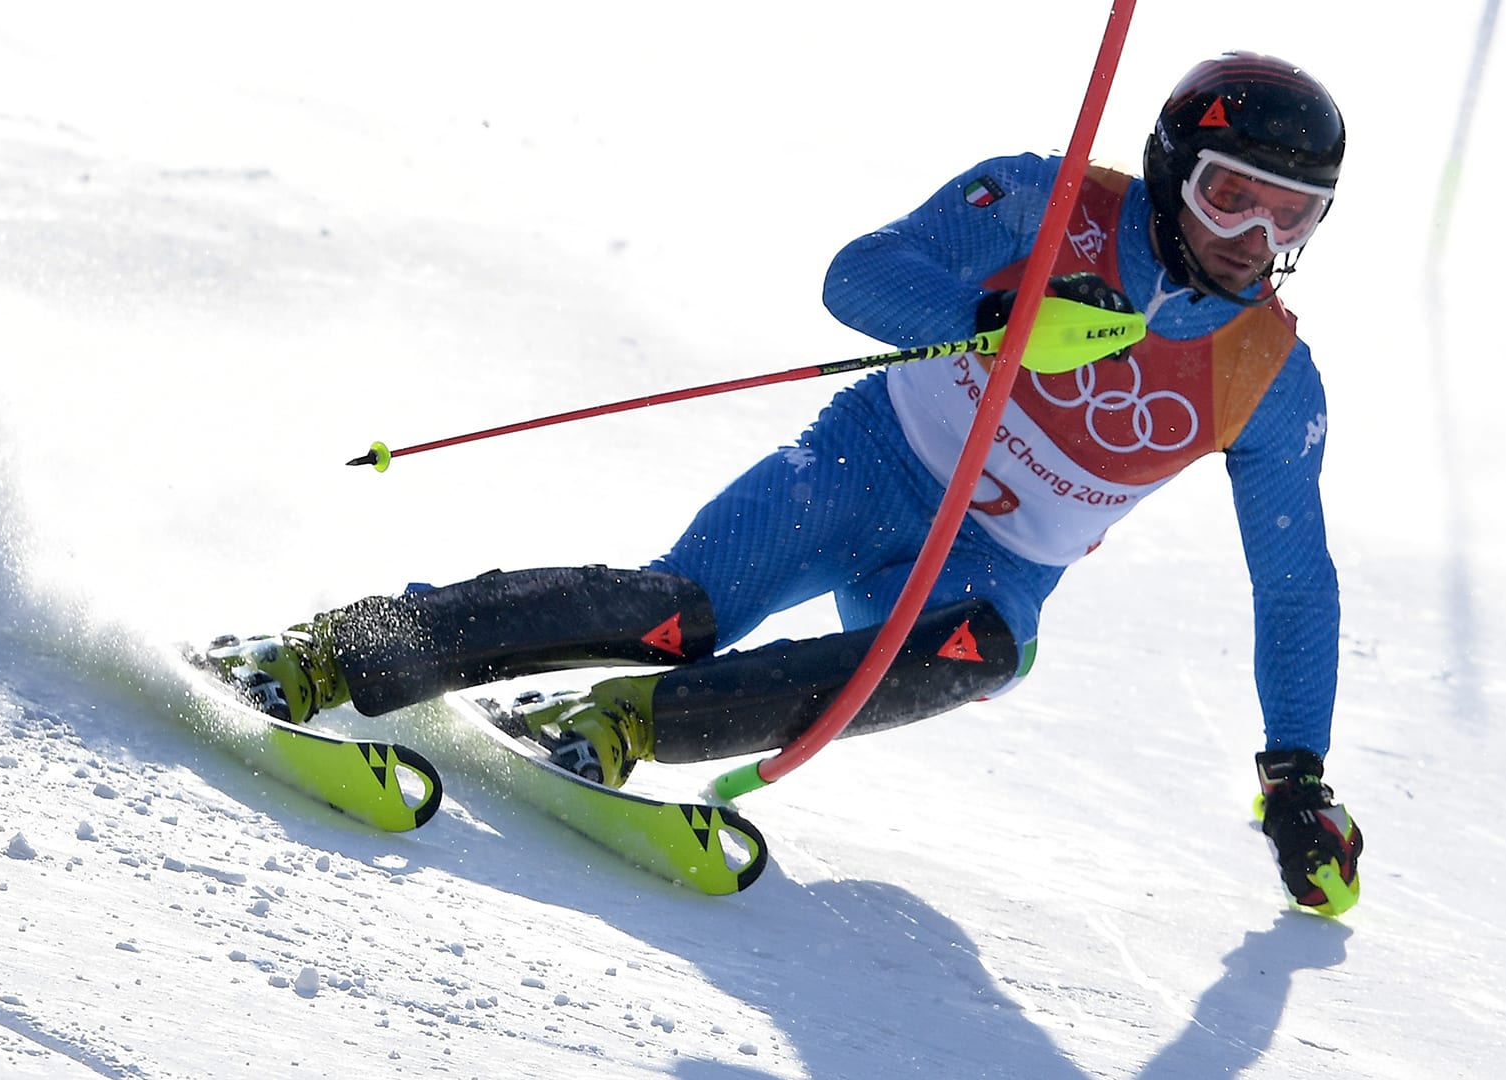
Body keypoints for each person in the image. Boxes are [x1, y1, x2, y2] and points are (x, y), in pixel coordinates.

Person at [206, 51, 1364, 915]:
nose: (1253, 239)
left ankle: (611, 729)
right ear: (1171, 174)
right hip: (867, 468)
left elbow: (1296, 585)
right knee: (677, 612)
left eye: (1291, 214)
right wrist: (989, 315)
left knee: (977, 656)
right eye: (1228, 197)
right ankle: (322, 650)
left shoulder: (1271, 377)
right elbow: (857, 277)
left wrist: (1295, 778)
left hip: (982, 570)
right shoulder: (1043, 202)